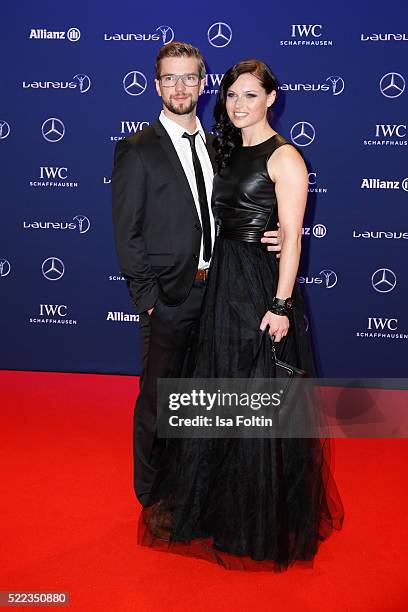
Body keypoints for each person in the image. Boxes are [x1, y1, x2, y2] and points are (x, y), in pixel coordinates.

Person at [139, 59, 344, 571]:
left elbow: (291, 238)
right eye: (232, 95)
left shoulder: (286, 158)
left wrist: (280, 305)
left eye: (250, 95)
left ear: (271, 98)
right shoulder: (224, 151)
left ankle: (253, 520)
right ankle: (217, 506)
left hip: (258, 286)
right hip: (220, 282)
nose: (238, 105)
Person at [111, 43, 281, 508]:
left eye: (190, 77)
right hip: (168, 296)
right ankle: (152, 496)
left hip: (220, 291)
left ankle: (192, 483)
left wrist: (280, 234)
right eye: (171, 78)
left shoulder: (216, 146)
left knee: (201, 397)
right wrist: (148, 297)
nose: (181, 86)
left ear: (204, 84)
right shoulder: (137, 149)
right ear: (156, 84)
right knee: (158, 398)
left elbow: (241, 208)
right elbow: (127, 232)